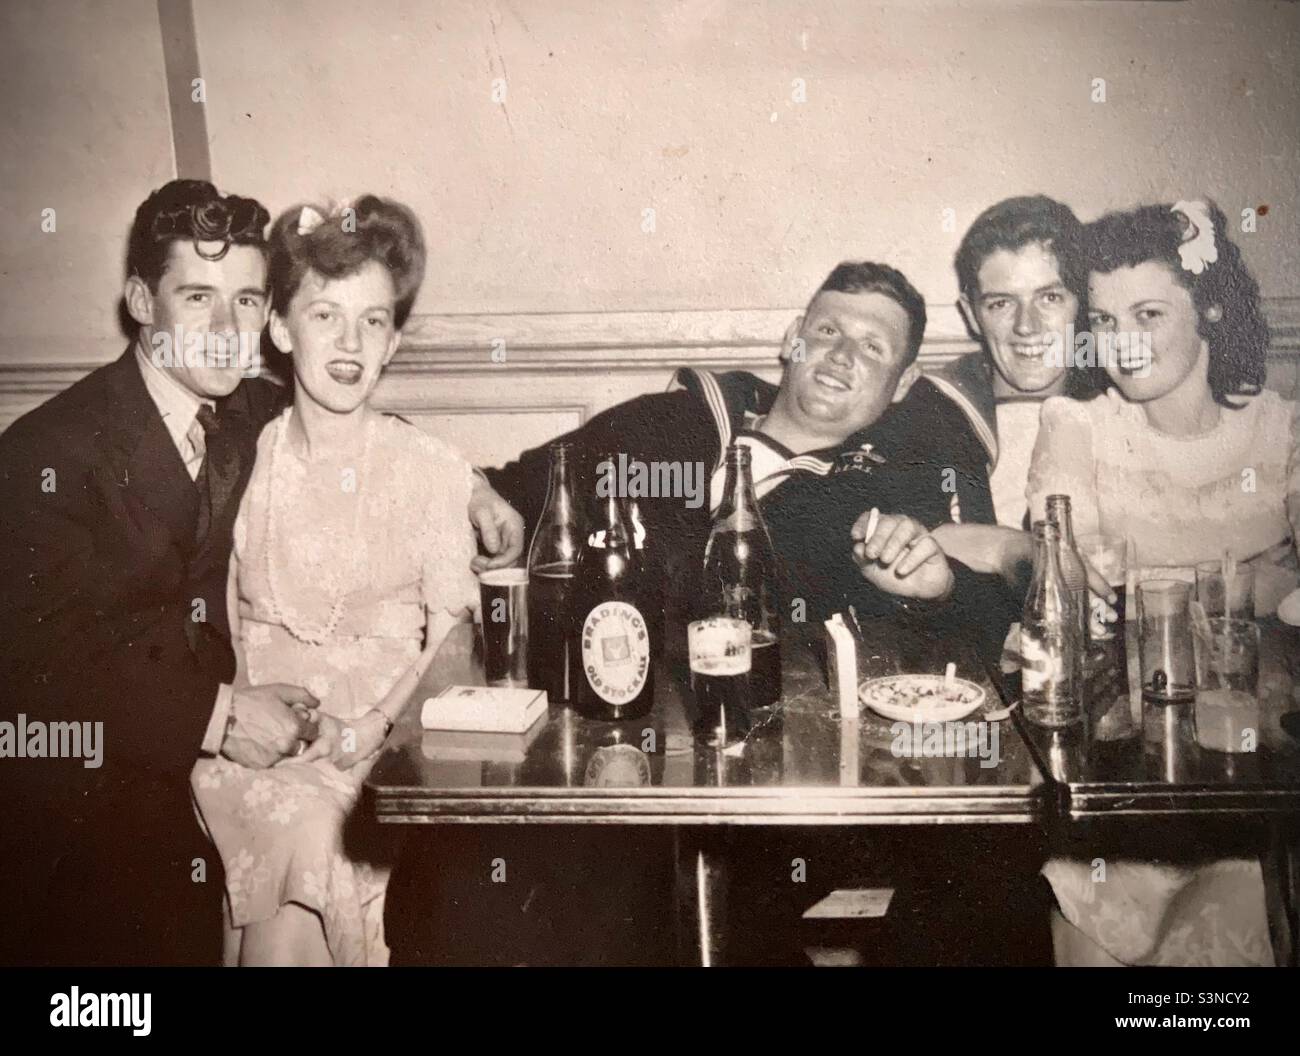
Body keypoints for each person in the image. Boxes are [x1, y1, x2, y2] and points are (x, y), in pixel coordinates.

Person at [0, 180, 522, 966]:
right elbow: (36, 671)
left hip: (281, 746)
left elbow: (366, 429)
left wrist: (476, 489)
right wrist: (215, 717)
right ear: (142, 301)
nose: (222, 331)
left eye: (244, 301)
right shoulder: (47, 455)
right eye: (197, 297)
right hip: (102, 781)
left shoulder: (241, 410)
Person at [191, 195, 496, 966]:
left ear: (394, 340)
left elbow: (453, 636)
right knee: (280, 821)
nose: (352, 342)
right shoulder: (240, 459)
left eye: (374, 320)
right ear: (282, 329)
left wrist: (367, 728)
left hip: (377, 751)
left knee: (302, 838)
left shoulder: (431, 471)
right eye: (326, 315)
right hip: (255, 746)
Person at [1029, 198, 1300, 966]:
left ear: (1210, 308)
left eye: (1147, 313)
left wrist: (1160, 585)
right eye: (1106, 320)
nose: (1123, 343)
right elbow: (1075, 571)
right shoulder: (1076, 425)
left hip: (1258, 781)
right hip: (1123, 788)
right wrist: (1262, 579)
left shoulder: (1281, 429)